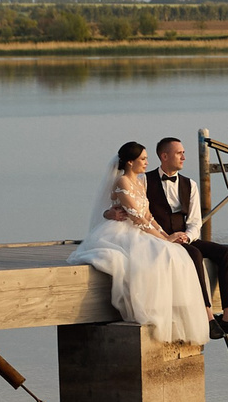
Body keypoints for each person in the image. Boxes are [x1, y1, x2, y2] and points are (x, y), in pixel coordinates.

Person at [67, 141, 210, 345]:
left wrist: (164, 235)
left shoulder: (140, 182)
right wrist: (164, 239)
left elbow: (149, 216)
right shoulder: (122, 182)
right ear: (129, 162)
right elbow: (136, 219)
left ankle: (175, 306)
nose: (146, 162)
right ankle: (151, 307)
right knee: (161, 253)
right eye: (142, 159)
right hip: (124, 231)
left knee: (174, 252)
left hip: (143, 229)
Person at [147, 136, 228, 340]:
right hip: (160, 239)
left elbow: (195, 221)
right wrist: (168, 238)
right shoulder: (145, 181)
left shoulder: (190, 184)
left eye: (184, 152)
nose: (184, 157)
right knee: (194, 255)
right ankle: (208, 316)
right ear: (164, 156)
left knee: (225, 253)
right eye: (179, 153)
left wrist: (187, 237)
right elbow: (144, 217)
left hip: (185, 237)